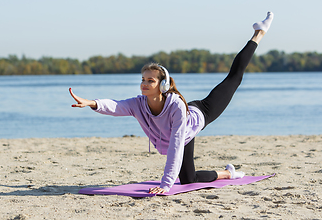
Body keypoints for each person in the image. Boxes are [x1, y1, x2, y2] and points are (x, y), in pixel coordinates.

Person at [70, 12, 274, 194]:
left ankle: (258, 34)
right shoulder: (139, 104)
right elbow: (116, 106)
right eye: (143, 79)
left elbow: (176, 145)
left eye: (150, 80)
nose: (144, 84)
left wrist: (166, 184)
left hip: (199, 114)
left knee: (234, 78)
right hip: (184, 132)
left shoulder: (175, 106)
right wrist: (91, 103)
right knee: (188, 180)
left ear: (163, 84)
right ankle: (228, 173)